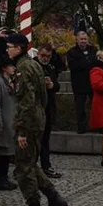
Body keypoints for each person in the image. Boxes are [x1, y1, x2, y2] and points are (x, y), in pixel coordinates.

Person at [6, 33, 67, 206]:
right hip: (37, 119)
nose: (7, 50)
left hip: (29, 123)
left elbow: (27, 101)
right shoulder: (33, 65)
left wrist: (22, 131)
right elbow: (42, 96)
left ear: (19, 48)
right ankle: (54, 197)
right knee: (29, 164)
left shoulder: (24, 68)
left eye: (10, 46)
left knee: (23, 168)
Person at [0, 58, 19, 191]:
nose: (13, 68)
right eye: (11, 66)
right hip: (1, 122)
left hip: (9, 121)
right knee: (0, 153)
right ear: (4, 68)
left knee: (6, 153)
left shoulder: (10, 82)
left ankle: (4, 177)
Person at [35, 43, 63, 178]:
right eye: (43, 55)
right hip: (36, 106)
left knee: (45, 138)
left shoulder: (51, 66)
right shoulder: (33, 65)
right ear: (38, 53)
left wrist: (52, 85)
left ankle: (46, 165)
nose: (45, 58)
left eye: (48, 56)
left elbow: (57, 84)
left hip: (48, 105)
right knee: (34, 139)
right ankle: (31, 167)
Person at [66, 32, 96, 134]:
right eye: (81, 39)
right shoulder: (71, 52)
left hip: (92, 82)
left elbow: (96, 63)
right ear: (77, 40)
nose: (83, 41)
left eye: (85, 39)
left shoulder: (93, 50)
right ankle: (81, 127)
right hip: (79, 83)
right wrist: (87, 64)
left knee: (95, 105)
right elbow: (73, 66)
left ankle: (96, 126)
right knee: (80, 107)